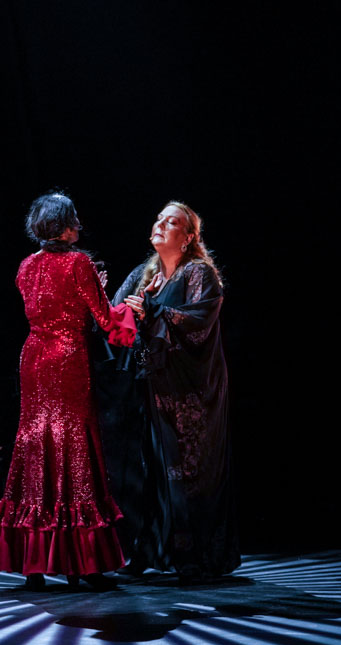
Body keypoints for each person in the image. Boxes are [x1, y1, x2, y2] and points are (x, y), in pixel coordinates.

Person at [0, 192, 136, 591]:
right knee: (72, 447)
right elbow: (107, 321)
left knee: (36, 447)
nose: (79, 226)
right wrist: (129, 308)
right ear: (63, 225)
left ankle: (34, 565)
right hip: (67, 358)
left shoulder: (25, 266)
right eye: (74, 219)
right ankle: (80, 565)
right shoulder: (79, 263)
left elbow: (50, 305)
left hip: (34, 357)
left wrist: (91, 292)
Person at [109, 201, 239, 582]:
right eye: (159, 219)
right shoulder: (143, 273)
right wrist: (100, 296)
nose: (161, 224)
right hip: (151, 386)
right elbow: (113, 315)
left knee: (187, 471)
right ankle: (148, 551)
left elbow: (200, 320)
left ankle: (194, 557)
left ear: (188, 237)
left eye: (173, 222)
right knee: (151, 469)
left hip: (189, 391)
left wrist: (155, 311)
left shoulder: (197, 272)